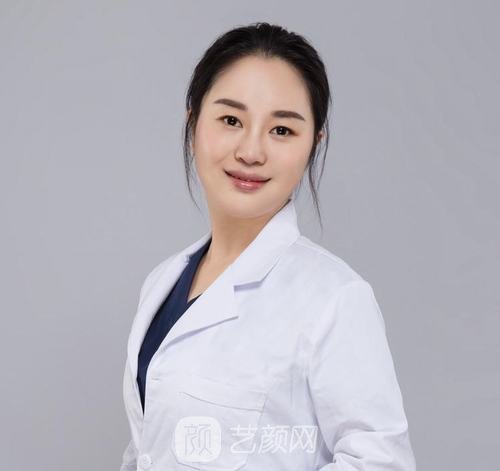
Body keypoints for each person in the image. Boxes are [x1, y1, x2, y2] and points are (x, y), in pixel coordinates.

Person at [120, 22, 416, 471]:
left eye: (281, 130)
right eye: (231, 120)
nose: (251, 151)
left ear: (314, 143)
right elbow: (148, 449)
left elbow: (382, 462)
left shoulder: (334, 299)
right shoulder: (162, 282)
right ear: (193, 123)